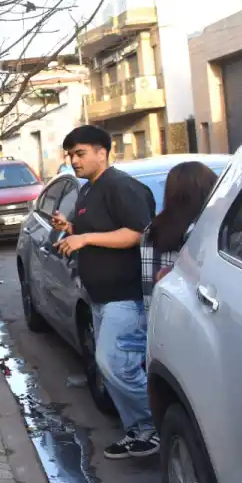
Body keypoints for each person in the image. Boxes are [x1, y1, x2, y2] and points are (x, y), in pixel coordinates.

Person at [53, 125, 157, 461]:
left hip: (124, 297)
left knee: (115, 365)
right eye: (70, 155)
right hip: (99, 298)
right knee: (112, 367)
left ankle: (154, 428)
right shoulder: (88, 190)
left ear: (102, 152)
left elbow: (138, 233)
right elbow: (97, 230)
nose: (74, 161)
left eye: (80, 153)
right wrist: (69, 230)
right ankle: (138, 432)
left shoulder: (120, 186)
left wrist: (84, 239)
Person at [140, 162, 218, 310]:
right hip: (194, 318)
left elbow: (149, 289)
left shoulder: (150, 231)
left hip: (160, 318)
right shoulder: (204, 231)